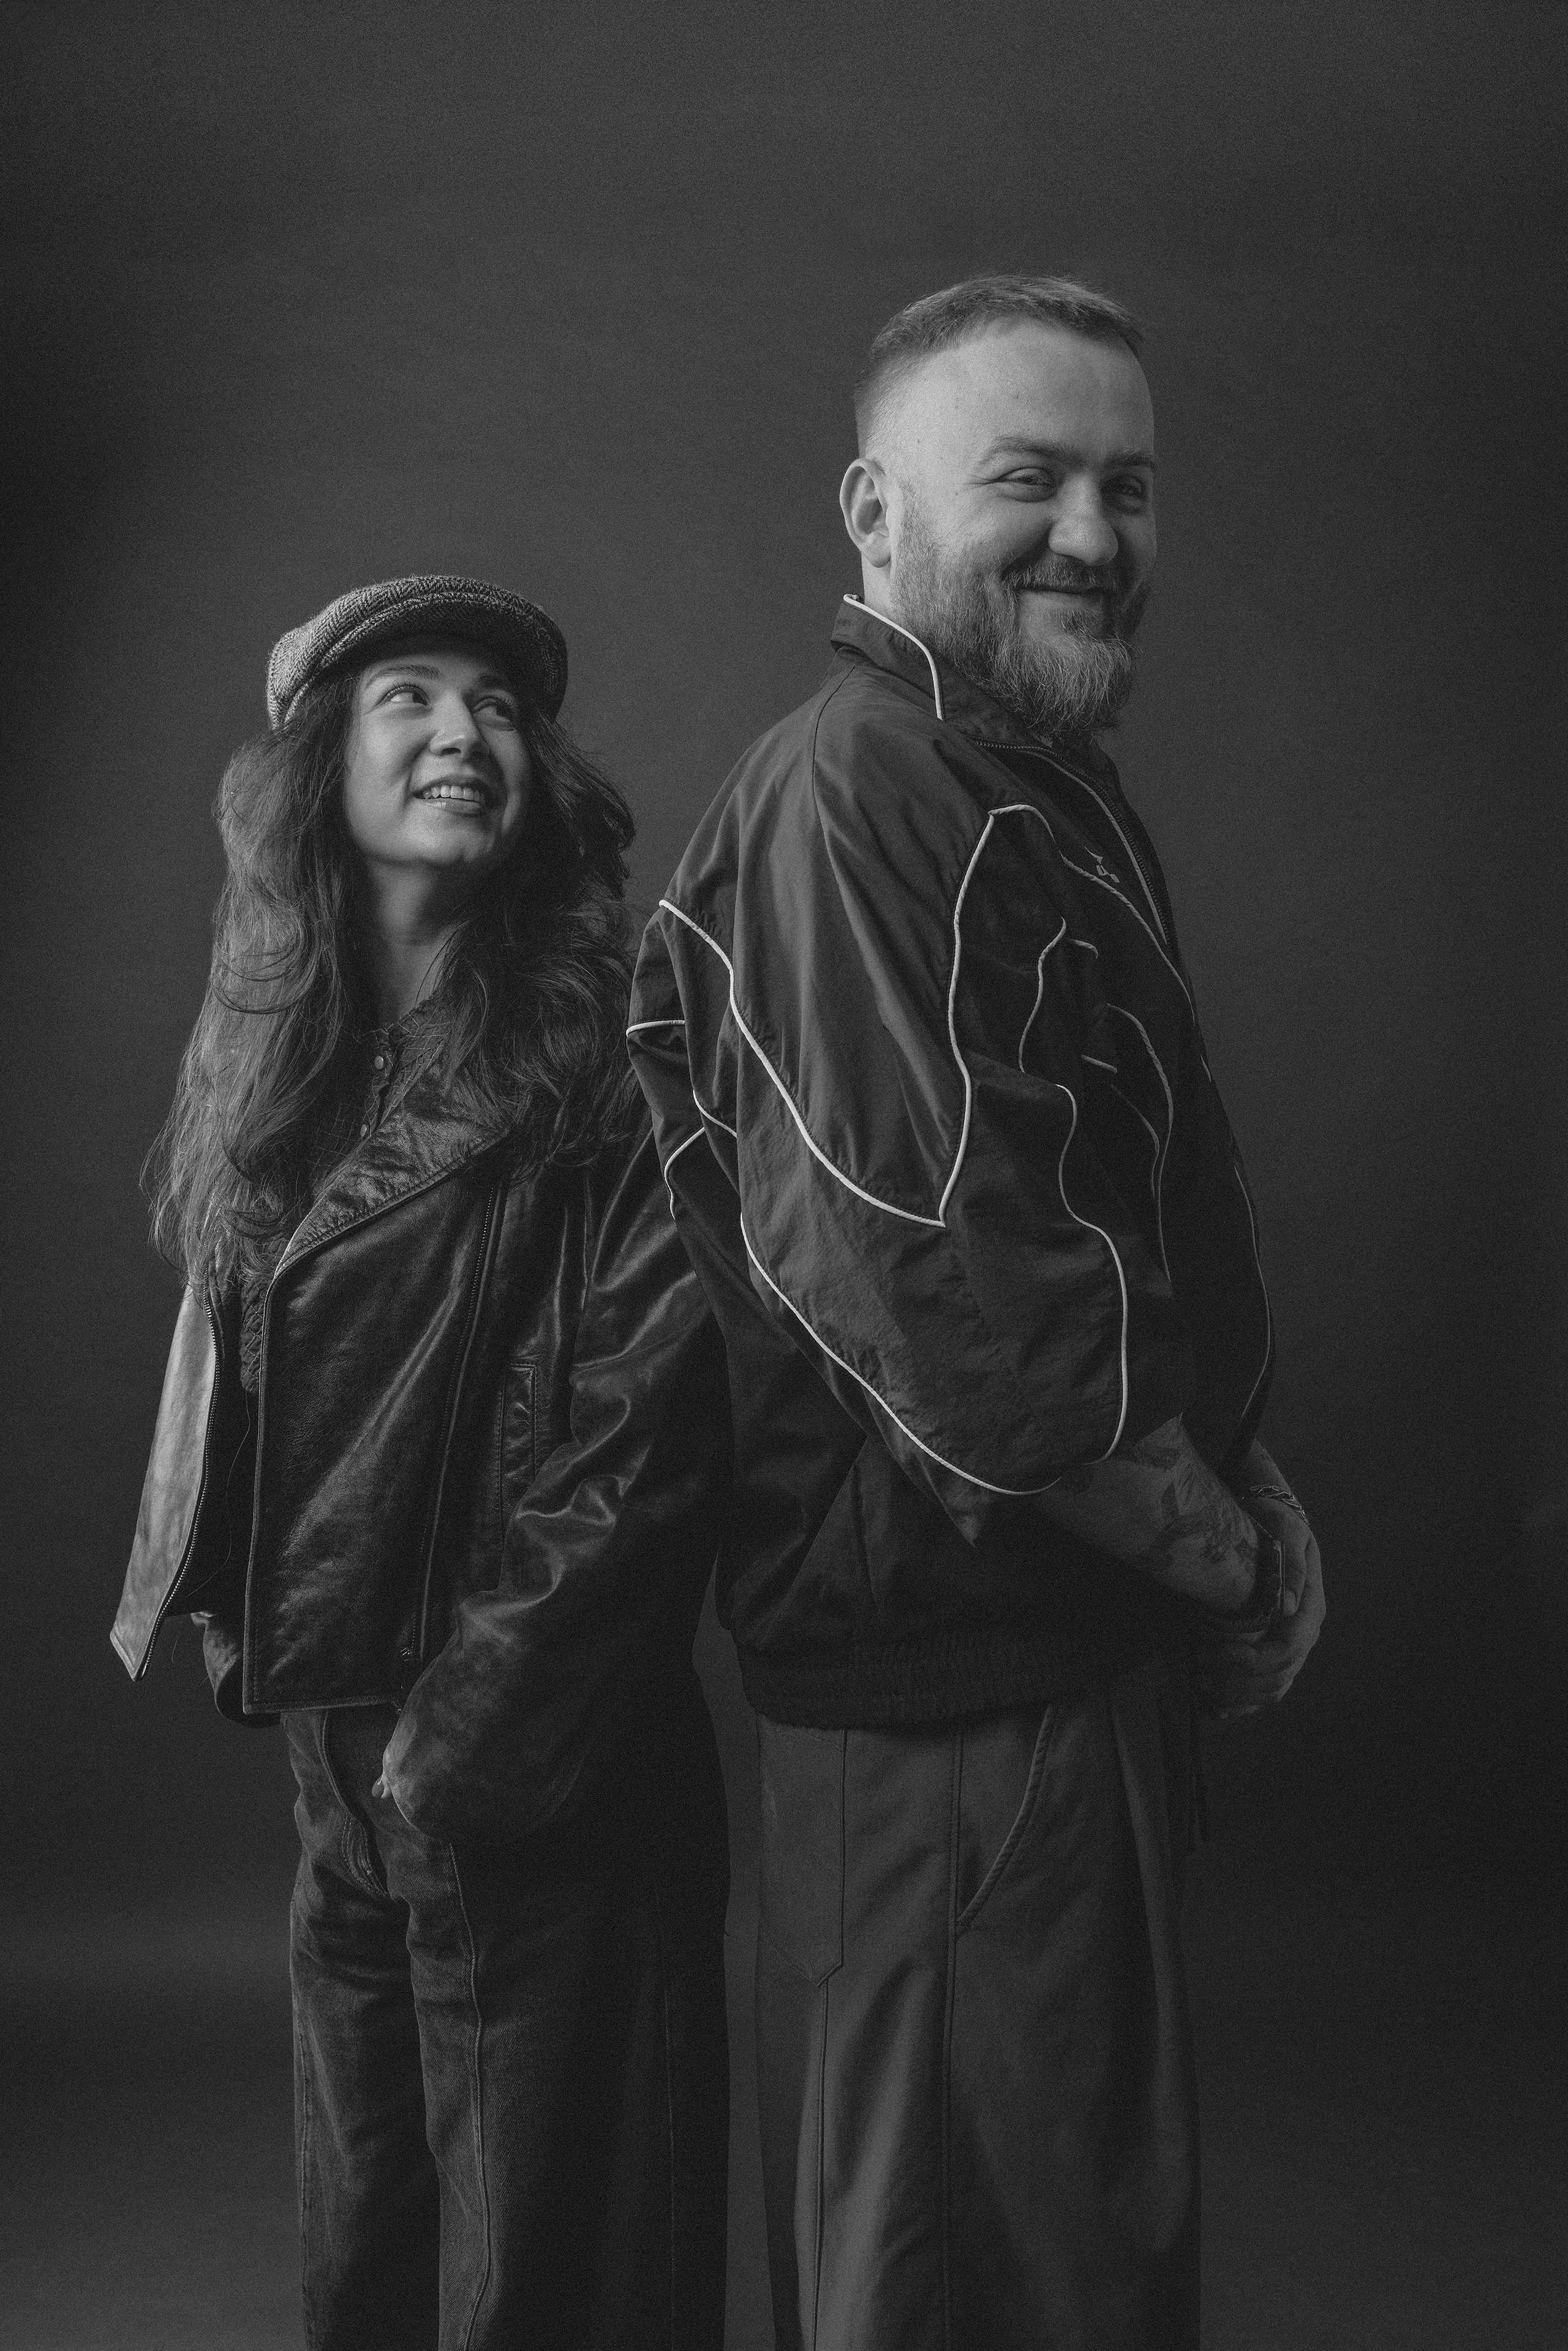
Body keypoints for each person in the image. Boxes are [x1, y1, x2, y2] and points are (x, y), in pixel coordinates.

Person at [629, 279, 1326, 2349]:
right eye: (1024, 478)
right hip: (957, 1697)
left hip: (1050, 1661)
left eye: (1126, 484)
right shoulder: (869, 791)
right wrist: (1233, 1557)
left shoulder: (1009, 776)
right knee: (958, 2279)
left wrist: (1230, 1507)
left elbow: (1111, 1222)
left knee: (1061, 2264)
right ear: (874, 513)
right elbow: (968, 1318)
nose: (1094, 534)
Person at [113, 575, 732, 2351]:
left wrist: (462, 1742)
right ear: (318, 762)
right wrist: (319, 1718)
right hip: (347, 1764)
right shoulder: (276, 1067)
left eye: (501, 706)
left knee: (560, 2272)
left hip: (535, 1751)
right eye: (412, 698)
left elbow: (649, 1432)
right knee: (377, 2243)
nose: (467, 735)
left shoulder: (623, 1059)